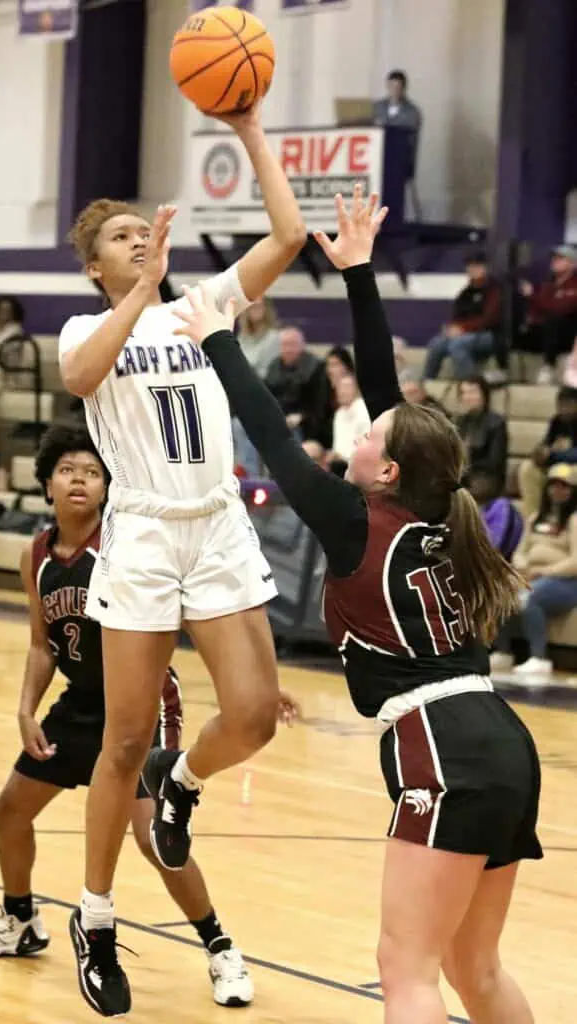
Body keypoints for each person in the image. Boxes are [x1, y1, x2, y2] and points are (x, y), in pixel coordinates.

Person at [173, 185, 540, 1024]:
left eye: (367, 438)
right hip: (498, 740)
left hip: (442, 745)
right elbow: (388, 396)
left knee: (404, 970)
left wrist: (218, 338)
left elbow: (269, 432)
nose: (358, 432)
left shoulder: (355, 519)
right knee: (472, 969)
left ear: (382, 471)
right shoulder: (436, 509)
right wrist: (360, 274)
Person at [58, 99, 306, 1017]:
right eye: (121, 238)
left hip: (217, 525)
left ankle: (183, 783)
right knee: (122, 738)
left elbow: (287, 235)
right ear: (97, 266)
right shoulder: (87, 332)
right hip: (147, 535)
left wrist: (246, 132)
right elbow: (81, 383)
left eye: (142, 232)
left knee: (251, 716)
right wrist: (139, 291)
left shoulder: (202, 307)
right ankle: (96, 914)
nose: (136, 241)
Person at [0, 425, 298, 1004]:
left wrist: (259, 681)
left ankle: (221, 948)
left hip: (141, 705)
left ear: (109, 488)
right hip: (80, 704)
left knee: (152, 837)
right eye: (68, 470)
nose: (81, 479)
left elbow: (196, 613)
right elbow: (43, 644)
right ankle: (19, 920)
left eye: (92, 471)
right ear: (46, 485)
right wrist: (24, 708)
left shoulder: (126, 546)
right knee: (10, 809)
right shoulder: (33, 555)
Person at [491, 463, 577, 684]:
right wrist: (522, 566)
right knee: (500, 591)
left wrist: (543, 571)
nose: (558, 490)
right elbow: (520, 551)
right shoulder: (535, 518)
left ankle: (539, 657)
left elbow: (575, 562)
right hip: (533, 574)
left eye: (564, 486)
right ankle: (503, 652)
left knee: (532, 596)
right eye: (554, 485)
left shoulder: (574, 520)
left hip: (566, 582)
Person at [423, 254, 501, 381]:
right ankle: (428, 381)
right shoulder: (465, 292)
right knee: (436, 343)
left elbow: (490, 318)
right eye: (470, 266)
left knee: (457, 345)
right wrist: (452, 328)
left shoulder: (495, 289)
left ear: (485, 268)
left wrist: (463, 328)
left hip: (491, 335)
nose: (472, 269)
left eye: (477, 266)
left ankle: (470, 384)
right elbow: (456, 316)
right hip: (466, 333)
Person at [264, 325, 331, 447]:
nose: (288, 349)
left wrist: (301, 416)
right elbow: (267, 397)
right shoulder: (274, 366)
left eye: (293, 344)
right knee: (241, 425)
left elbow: (320, 405)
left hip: (305, 422)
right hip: (278, 417)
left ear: (302, 345)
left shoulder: (315, 367)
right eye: (285, 345)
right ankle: (248, 466)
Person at [518, 386, 577, 519]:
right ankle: (532, 517)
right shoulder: (556, 421)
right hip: (554, 466)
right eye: (561, 405)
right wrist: (539, 453)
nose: (564, 409)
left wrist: (552, 454)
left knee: (561, 472)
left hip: (573, 468)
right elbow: (546, 445)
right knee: (527, 468)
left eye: (569, 405)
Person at [522, 246, 577, 384]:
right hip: (549, 328)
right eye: (554, 258)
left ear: (572, 263)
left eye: (560, 259)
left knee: (553, 320)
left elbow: (564, 308)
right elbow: (540, 306)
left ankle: (549, 366)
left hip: (570, 330)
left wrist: (534, 296)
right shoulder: (549, 283)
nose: (555, 261)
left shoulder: (574, 283)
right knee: (525, 329)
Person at [456, 375, 508, 493]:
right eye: (464, 393)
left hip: (485, 476)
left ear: (484, 395)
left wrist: (469, 463)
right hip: (460, 475)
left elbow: (495, 461)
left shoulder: (497, 423)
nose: (468, 397)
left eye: (473, 392)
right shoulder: (460, 421)